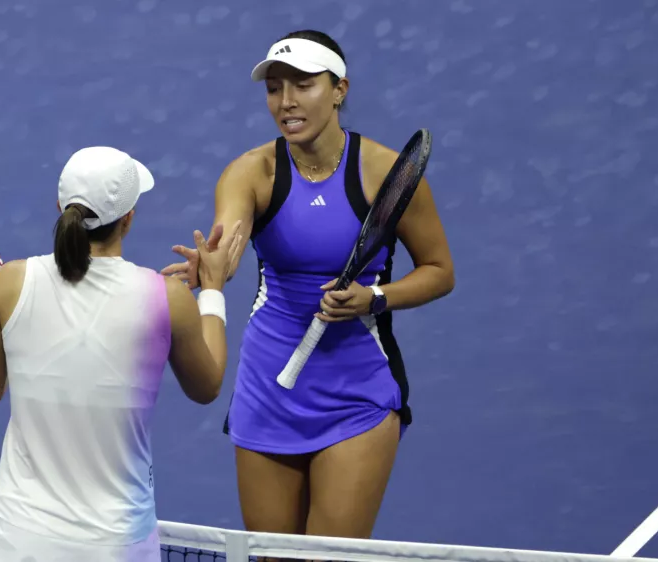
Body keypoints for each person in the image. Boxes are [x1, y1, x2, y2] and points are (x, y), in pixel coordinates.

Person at [161, 29, 456, 545]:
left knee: (329, 559)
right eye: (275, 88)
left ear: (339, 89)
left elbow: (438, 270)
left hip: (356, 391)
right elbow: (228, 241)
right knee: (273, 557)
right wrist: (213, 267)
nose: (286, 102)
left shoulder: (385, 173)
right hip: (268, 386)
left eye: (303, 85)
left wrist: (376, 298)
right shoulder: (251, 172)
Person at [0, 146, 244, 562]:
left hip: (17, 542)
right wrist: (214, 289)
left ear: (60, 207)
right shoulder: (167, 297)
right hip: (116, 548)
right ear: (128, 219)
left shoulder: (10, 283)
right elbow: (208, 386)